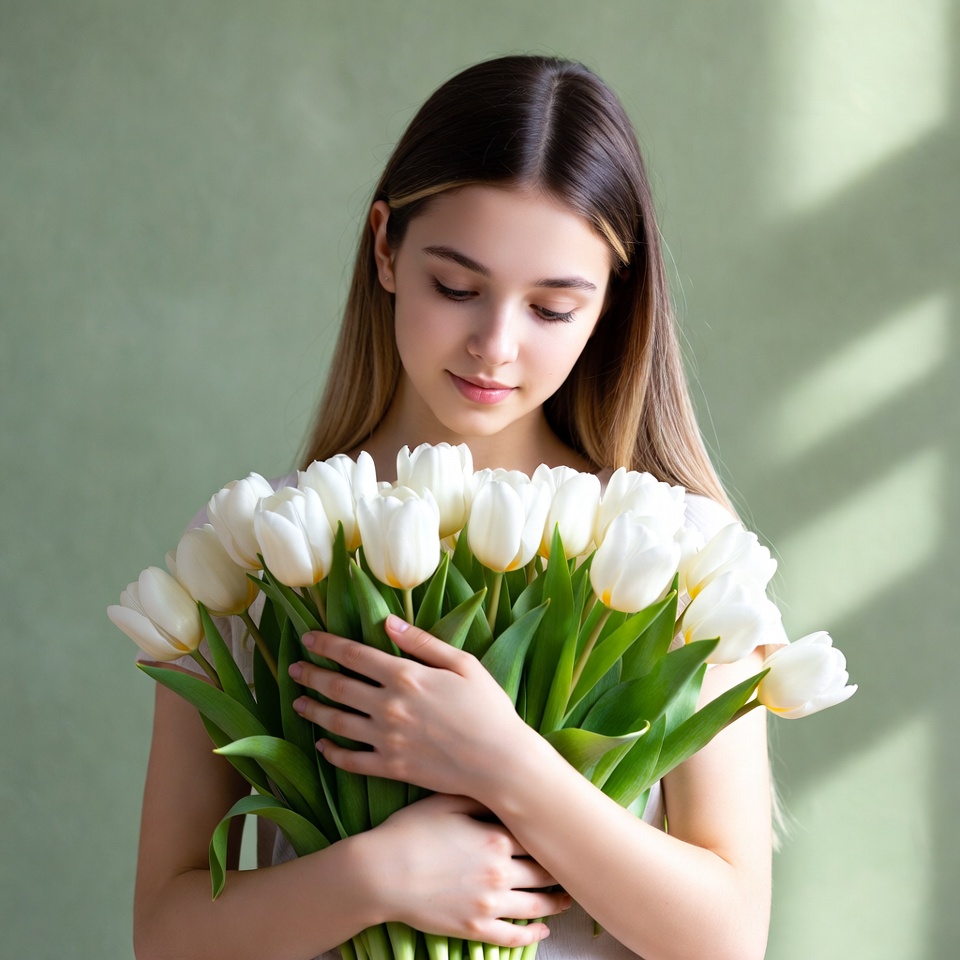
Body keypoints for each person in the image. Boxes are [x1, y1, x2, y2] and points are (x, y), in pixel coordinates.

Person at [133, 56, 773, 960]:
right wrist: (376, 877)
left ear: (610, 305)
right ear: (386, 248)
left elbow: (729, 939)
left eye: (552, 308)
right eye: (457, 287)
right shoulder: (258, 547)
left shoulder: (679, 553)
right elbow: (165, 935)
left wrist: (502, 762)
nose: (495, 346)